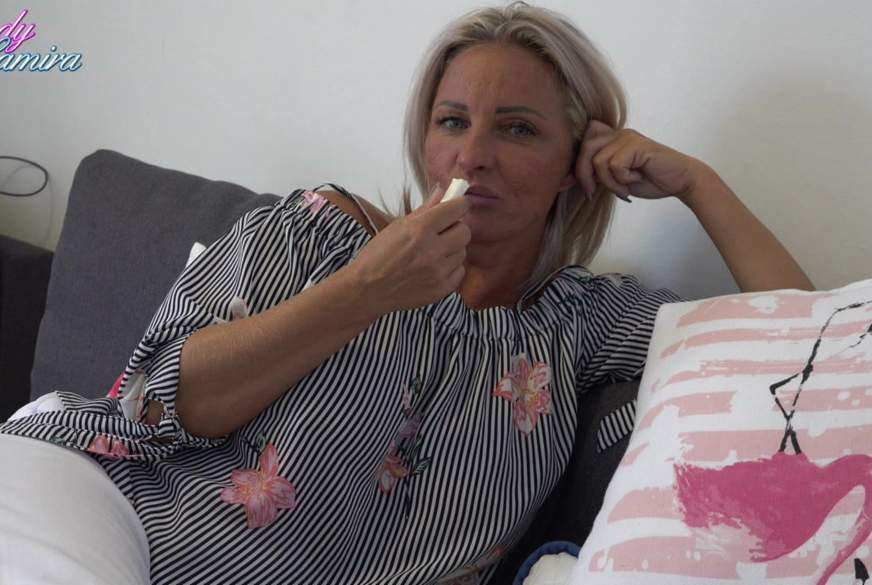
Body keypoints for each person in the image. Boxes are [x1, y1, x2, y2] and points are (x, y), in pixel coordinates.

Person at [0, 2, 814, 584]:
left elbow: (808, 338)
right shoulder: (321, 231)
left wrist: (699, 184)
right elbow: (160, 404)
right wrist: (363, 291)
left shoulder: (579, 323)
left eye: (518, 128)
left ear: (576, 163)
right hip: (104, 511)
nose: (473, 154)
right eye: (452, 121)